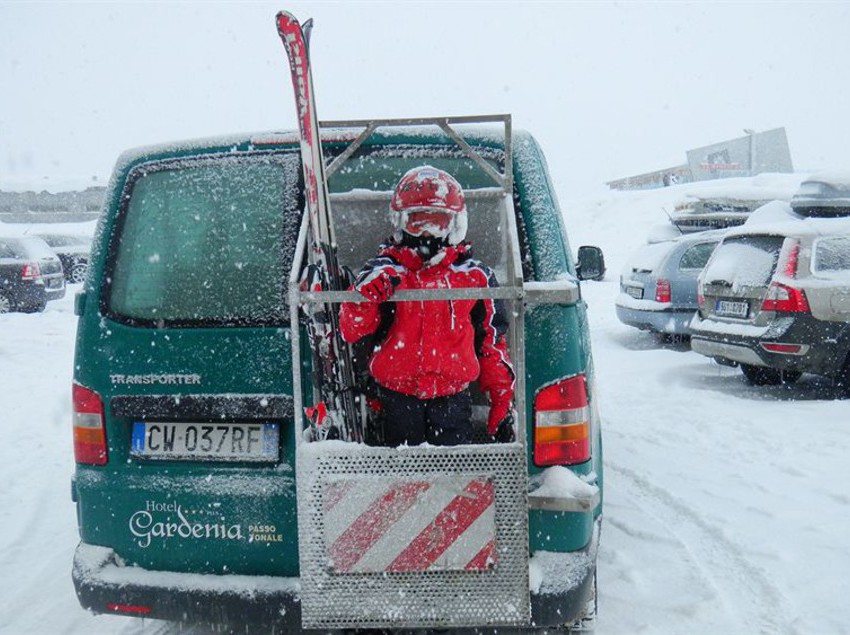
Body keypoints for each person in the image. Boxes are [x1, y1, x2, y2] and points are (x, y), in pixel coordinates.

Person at [339, 165, 515, 447]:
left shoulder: (475, 277)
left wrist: (501, 400)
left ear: (455, 223)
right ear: (399, 222)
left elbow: (492, 344)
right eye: (416, 222)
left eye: (438, 222)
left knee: (453, 476)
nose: (427, 233)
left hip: (453, 399)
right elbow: (351, 331)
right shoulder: (384, 272)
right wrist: (363, 299)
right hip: (396, 399)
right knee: (401, 477)